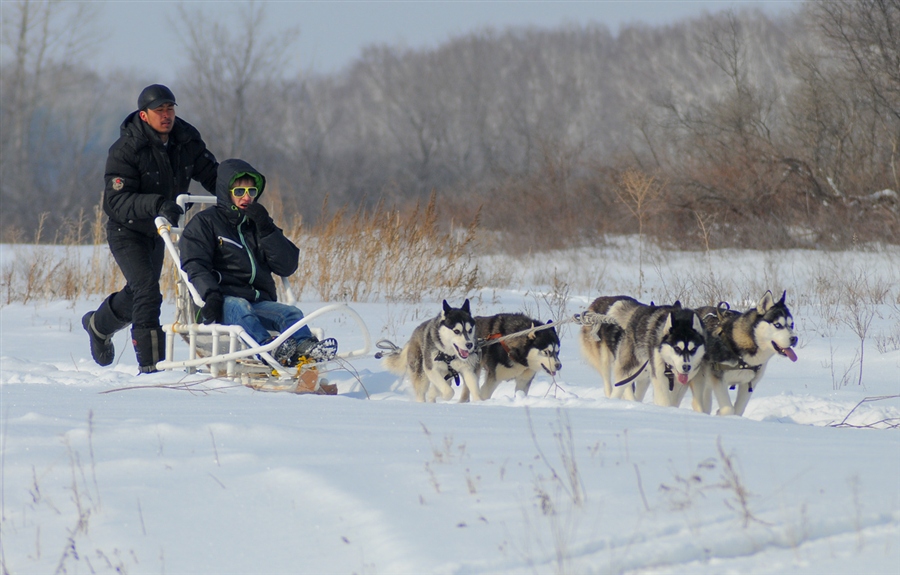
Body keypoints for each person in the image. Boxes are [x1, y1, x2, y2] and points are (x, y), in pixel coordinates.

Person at [82, 84, 219, 373]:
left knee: (138, 293)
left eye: (170, 109)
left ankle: (97, 325)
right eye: (159, 111)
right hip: (127, 230)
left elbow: (212, 174)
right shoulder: (126, 149)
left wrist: (241, 187)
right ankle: (151, 368)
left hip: (161, 231)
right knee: (147, 291)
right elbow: (116, 201)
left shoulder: (186, 139)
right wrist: (158, 204)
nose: (166, 115)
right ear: (144, 116)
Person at [178, 158, 337, 366]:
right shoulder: (205, 222)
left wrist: (266, 227)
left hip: (258, 302)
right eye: (239, 192)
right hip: (219, 303)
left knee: (291, 312)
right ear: (226, 193)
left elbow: (287, 266)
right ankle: (268, 348)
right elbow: (195, 264)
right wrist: (211, 295)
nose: (246, 197)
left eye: (251, 192)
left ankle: (306, 348)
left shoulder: (258, 225)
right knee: (240, 305)